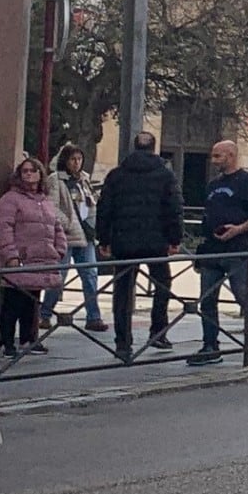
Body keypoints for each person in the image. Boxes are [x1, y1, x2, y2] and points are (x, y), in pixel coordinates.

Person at [187, 139, 248, 367]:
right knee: (207, 299)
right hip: (211, 249)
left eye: (218, 156)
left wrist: (239, 229)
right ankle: (210, 345)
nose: (214, 161)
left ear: (231, 156)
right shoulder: (213, 185)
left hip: (237, 249)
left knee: (243, 295)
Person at [95, 131, 184, 363]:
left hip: (124, 242)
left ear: (133, 147)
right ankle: (158, 331)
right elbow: (174, 209)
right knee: (162, 284)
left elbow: (104, 209)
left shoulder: (117, 175)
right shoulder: (165, 175)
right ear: (154, 148)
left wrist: (103, 240)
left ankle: (123, 343)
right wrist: (175, 239)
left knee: (123, 292)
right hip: (156, 242)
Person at [0, 158, 68, 359]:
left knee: (32, 302)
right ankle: (7, 343)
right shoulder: (10, 199)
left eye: (33, 170)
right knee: (13, 302)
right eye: (25, 171)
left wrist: (59, 249)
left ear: (40, 174)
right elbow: (4, 228)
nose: (28, 174)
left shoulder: (45, 200)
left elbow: (56, 226)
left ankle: (29, 339)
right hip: (21, 259)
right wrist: (11, 254)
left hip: (42, 259)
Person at [41, 143, 106, 333]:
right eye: (72, 159)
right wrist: (67, 223)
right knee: (58, 276)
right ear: (65, 160)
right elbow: (51, 207)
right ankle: (45, 314)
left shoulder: (84, 179)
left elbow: (90, 204)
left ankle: (93, 316)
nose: (76, 163)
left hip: (86, 234)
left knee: (90, 275)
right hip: (66, 235)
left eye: (79, 159)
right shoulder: (56, 180)